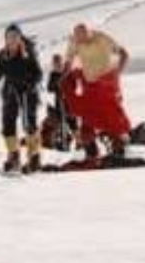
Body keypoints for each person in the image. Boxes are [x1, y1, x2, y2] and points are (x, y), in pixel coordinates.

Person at [0, 23, 43, 172]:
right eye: (9, 37)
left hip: (27, 92)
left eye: (15, 36)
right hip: (10, 91)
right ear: (5, 39)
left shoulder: (27, 53)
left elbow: (38, 73)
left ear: (20, 38)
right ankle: (14, 156)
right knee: (7, 124)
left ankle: (34, 158)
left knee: (29, 124)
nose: (12, 39)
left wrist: (30, 84)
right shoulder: (2, 55)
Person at [62, 22, 131, 160]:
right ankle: (91, 152)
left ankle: (118, 149)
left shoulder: (101, 38)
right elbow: (68, 60)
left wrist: (118, 71)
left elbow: (123, 53)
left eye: (83, 38)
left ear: (89, 33)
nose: (80, 42)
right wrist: (66, 75)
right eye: (78, 39)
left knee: (111, 117)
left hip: (106, 84)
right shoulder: (75, 42)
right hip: (90, 85)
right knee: (87, 118)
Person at [43, 53, 77, 150]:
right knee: (59, 122)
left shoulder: (68, 73)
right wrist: (56, 85)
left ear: (61, 63)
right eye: (55, 64)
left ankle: (79, 142)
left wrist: (65, 87)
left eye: (58, 64)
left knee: (72, 123)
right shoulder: (53, 75)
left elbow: (74, 86)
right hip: (59, 103)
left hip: (69, 104)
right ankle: (61, 141)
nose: (57, 66)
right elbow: (49, 88)